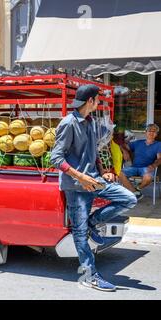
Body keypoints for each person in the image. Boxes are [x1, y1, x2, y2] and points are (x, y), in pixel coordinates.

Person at [51, 84, 137, 292]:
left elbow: (93, 151)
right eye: (97, 100)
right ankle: (90, 275)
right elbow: (56, 157)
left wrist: (103, 170)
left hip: (95, 178)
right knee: (80, 233)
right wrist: (81, 177)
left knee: (129, 199)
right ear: (90, 101)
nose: (98, 103)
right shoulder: (69, 123)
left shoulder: (89, 122)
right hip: (77, 185)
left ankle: (93, 221)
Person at [119, 124, 161, 199]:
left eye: (154, 131)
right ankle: (135, 193)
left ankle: (137, 189)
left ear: (156, 134)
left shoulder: (158, 144)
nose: (151, 133)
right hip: (134, 168)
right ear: (145, 132)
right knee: (119, 173)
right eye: (149, 131)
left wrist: (153, 165)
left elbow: (159, 159)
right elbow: (122, 145)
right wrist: (125, 151)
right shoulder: (137, 143)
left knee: (148, 177)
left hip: (147, 168)